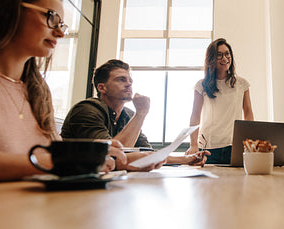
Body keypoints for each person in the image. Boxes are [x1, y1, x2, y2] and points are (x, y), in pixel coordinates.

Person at [0, 0, 137, 183]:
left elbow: (52, 154)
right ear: (10, 10)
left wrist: (106, 158)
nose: (60, 33)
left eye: (62, 25)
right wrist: (56, 162)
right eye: (51, 17)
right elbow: (52, 160)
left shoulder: (38, 89)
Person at [61, 59, 208, 169]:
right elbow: (113, 156)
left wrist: (186, 159)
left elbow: (148, 153)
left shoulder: (128, 115)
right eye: (121, 79)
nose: (129, 84)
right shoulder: (87, 110)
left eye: (130, 80)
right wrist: (141, 113)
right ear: (102, 87)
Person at [186, 38, 254, 164]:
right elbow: (195, 116)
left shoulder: (242, 84)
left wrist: (249, 142)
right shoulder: (201, 85)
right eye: (219, 55)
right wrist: (193, 144)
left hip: (234, 147)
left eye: (227, 54)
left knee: (236, 183)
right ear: (211, 59)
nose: (225, 58)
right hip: (208, 148)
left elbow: (248, 113)